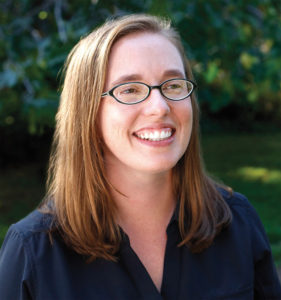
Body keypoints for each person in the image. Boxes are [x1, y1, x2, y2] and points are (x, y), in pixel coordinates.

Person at [0, 14, 280, 299]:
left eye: (172, 85)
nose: (159, 107)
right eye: (130, 90)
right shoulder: (32, 253)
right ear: (88, 113)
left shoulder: (238, 223)